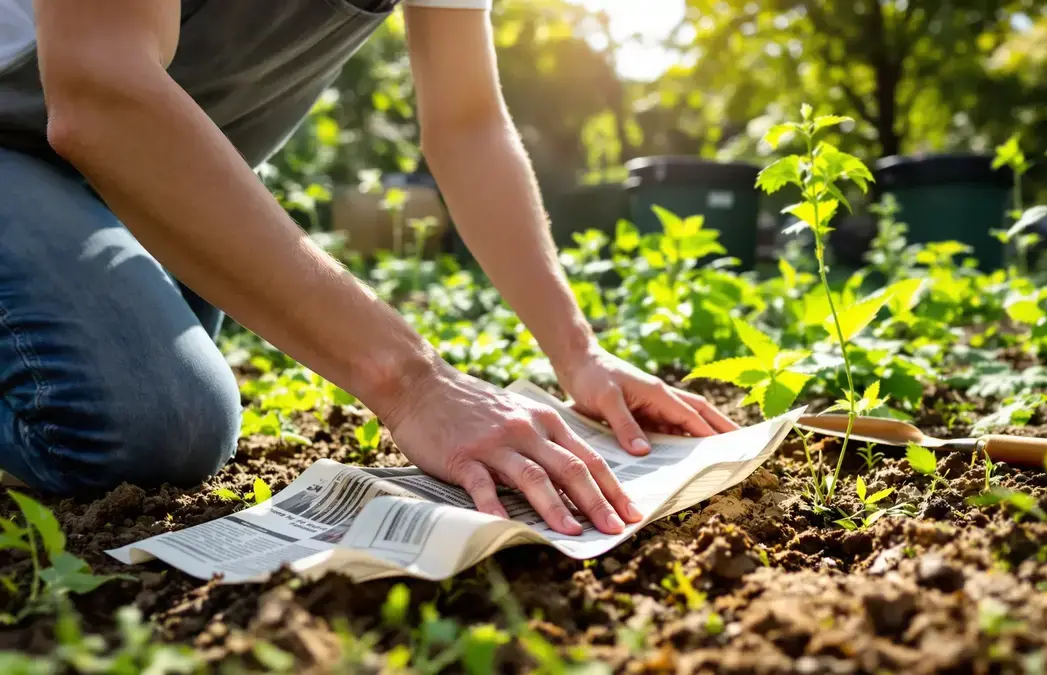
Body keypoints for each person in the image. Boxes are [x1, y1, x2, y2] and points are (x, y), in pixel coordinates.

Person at [0, 0, 738, 537]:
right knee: (143, 421)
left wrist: (579, 351)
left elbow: (467, 122)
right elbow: (99, 86)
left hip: (128, 184)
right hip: (24, 139)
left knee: (145, 413)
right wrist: (415, 382)